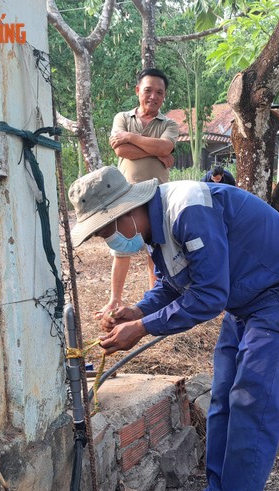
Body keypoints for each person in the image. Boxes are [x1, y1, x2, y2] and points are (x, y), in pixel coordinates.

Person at [68, 166, 279, 491]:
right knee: (222, 400)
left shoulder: (187, 211)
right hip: (243, 300)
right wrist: (137, 311)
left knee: (254, 401)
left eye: (107, 229)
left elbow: (208, 296)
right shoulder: (153, 227)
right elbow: (173, 285)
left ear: (128, 211)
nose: (108, 239)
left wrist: (144, 329)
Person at [99, 68, 179, 317]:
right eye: (148, 90)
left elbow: (166, 145)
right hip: (126, 195)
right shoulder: (121, 117)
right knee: (121, 250)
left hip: (157, 195)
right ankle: (114, 301)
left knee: (155, 250)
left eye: (159, 92)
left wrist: (131, 137)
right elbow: (121, 152)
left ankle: (153, 301)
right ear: (138, 91)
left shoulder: (169, 123)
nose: (153, 96)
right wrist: (159, 152)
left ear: (164, 97)